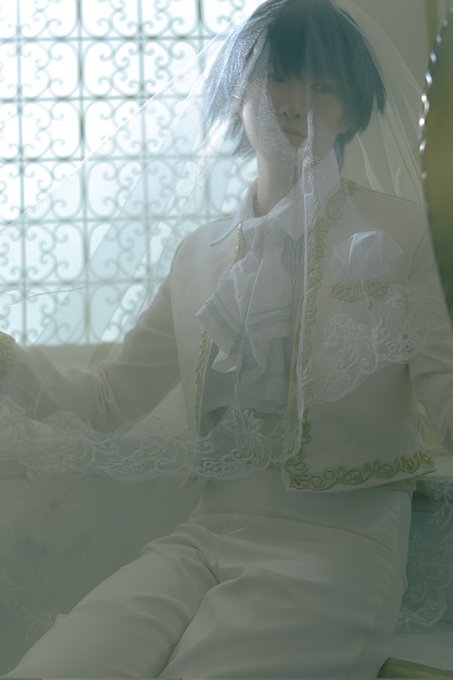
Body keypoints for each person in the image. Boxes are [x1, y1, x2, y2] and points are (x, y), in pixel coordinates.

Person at [1, 0, 453, 677]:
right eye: (278, 77)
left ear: (353, 108)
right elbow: (107, 401)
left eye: (323, 84)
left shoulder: (402, 232)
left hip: (338, 550)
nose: (295, 102)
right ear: (239, 93)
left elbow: (444, 393)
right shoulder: (199, 254)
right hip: (201, 539)